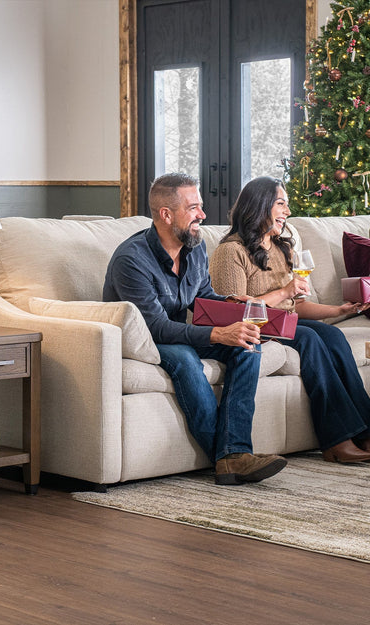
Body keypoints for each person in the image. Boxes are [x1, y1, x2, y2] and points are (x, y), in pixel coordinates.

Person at [103, 173, 287, 485]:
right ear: (166, 214)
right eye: (193, 208)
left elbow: (202, 300)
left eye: (200, 206)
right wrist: (217, 334)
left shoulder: (195, 248)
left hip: (171, 332)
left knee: (248, 343)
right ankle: (229, 456)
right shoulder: (131, 260)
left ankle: (233, 454)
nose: (202, 215)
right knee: (186, 359)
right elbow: (157, 328)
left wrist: (231, 304)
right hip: (140, 340)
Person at [210, 176, 370, 464]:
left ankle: (365, 430)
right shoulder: (230, 251)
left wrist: (340, 311)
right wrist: (283, 291)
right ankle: (336, 439)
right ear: (259, 206)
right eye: (281, 204)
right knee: (310, 338)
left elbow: (297, 308)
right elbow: (233, 311)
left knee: (334, 336)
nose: (287, 212)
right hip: (252, 326)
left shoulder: (281, 248)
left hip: (283, 322)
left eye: (287, 205)